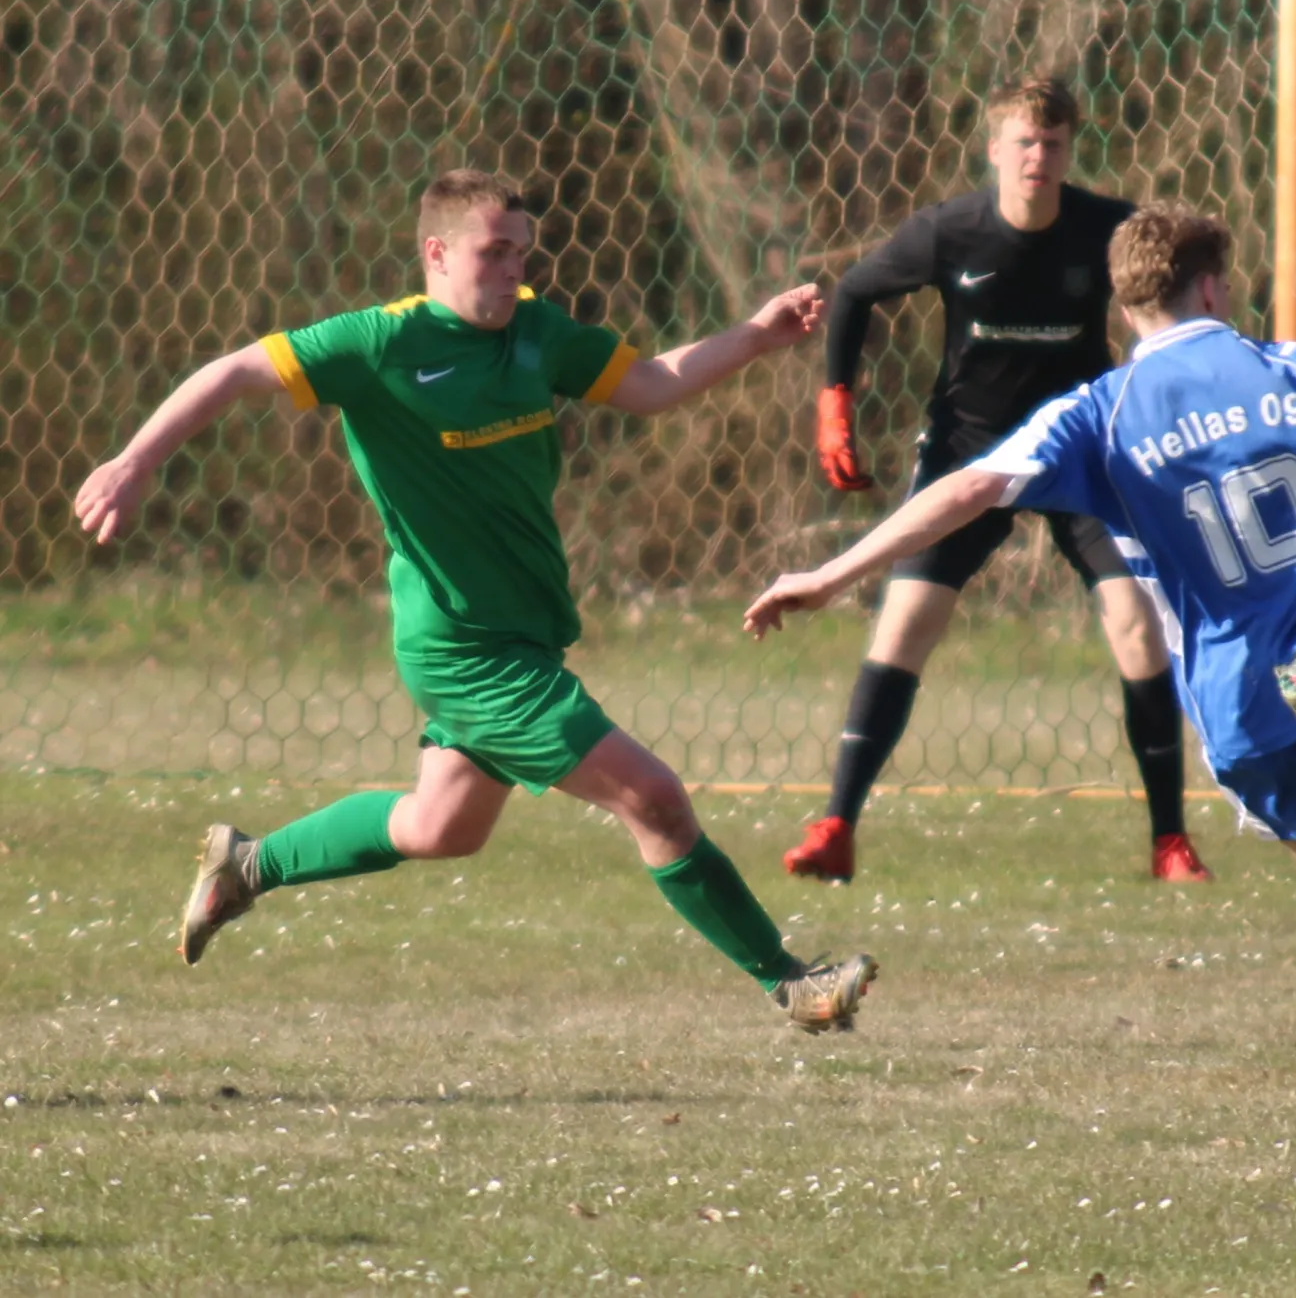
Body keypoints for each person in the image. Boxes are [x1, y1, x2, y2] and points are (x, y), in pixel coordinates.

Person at [746, 202, 1296, 1077]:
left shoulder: (1098, 412)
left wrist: (831, 574)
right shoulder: (1292, 371)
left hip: (1234, 695)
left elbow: (966, 489)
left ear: (1125, 304)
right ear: (1212, 287)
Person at [73, 170, 876, 1034]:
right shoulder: (378, 344)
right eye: (495, 252)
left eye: (522, 252)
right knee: (654, 798)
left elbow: (648, 383)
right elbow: (233, 372)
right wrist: (135, 461)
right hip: (461, 649)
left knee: (441, 827)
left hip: (525, 634)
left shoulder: (535, 331)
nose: (513, 269)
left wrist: (754, 336)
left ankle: (248, 866)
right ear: (437, 252)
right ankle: (790, 983)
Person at [791, 77, 1210, 885]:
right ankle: (837, 824)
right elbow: (856, 292)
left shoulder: (1106, 229)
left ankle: (1170, 842)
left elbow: (1173, 293)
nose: (1037, 158)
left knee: (1136, 624)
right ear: (994, 150)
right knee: (905, 624)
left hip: (1082, 453)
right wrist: (834, 403)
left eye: (1052, 144)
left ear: (1068, 152)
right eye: (1023, 142)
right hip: (970, 452)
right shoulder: (950, 231)